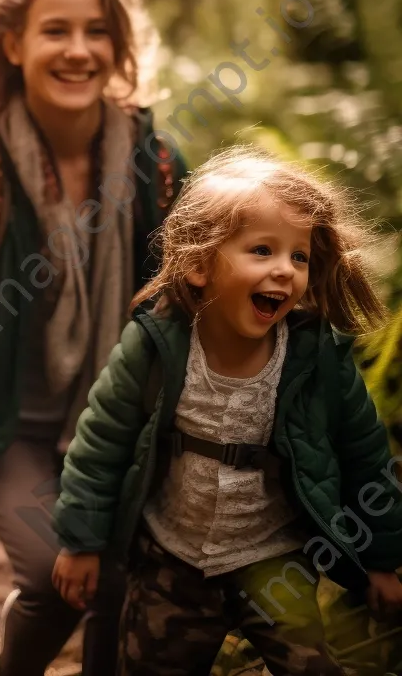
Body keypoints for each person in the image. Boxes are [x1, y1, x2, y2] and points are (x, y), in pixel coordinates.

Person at [0, 0, 187, 676]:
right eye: (55, 30)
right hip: (8, 425)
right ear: (13, 43)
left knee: (118, 585)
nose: (79, 50)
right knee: (52, 576)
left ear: (119, 44)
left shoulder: (157, 163)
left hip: (123, 420)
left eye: (96, 30)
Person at [52, 145, 402, 675]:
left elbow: (366, 456)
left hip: (275, 564)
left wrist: (381, 560)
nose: (285, 270)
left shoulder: (316, 359)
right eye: (261, 250)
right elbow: (100, 444)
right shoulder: (156, 347)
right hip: (173, 561)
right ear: (197, 265)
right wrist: (81, 541)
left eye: (298, 256)